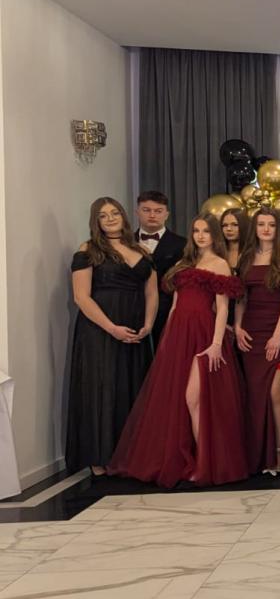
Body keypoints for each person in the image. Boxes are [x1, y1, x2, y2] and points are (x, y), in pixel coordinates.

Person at [109, 214, 249, 487]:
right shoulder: (184, 263)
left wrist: (216, 344)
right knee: (176, 400)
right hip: (179, 335)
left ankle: (206, 463)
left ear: (215, 235)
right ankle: (190, 460)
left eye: (206, 231)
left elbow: (222, 308)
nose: (200, 235)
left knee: (193, 398)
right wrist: (167, 339)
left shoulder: (220, 264)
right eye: (196, 230)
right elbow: (174, 305)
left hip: (204, 334)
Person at [66, 197, 157, 476]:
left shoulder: (140, 249)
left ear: (123, 216)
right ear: (96, 221)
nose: (110, 219)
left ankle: (128, 456)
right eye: (103, 216)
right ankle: (99, 457)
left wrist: (148, 324)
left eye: (114, 213)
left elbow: (151, 292)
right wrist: (112, 328)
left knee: (132, 387)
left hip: (135, 331)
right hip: (99, 331)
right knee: (101, 390)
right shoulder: (88, 250)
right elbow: (81, 297)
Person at [235, 208, 280, 474]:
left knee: (275, 392)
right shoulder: (246, 256)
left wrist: (277, 334)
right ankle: (258, 455)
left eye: (271, 224)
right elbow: (241, 298)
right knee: (255, 393)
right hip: (251, 331)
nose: (266, 229)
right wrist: (237, 327)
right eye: (261, 224)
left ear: (278, 228)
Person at [135, 190, 186, 346]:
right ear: (137, 212)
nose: (152, 215)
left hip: (167, 311)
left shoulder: (183, 244)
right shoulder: (124, 243)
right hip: (131, 308)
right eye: (146, 210)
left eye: (158, 211)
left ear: (167, 214)